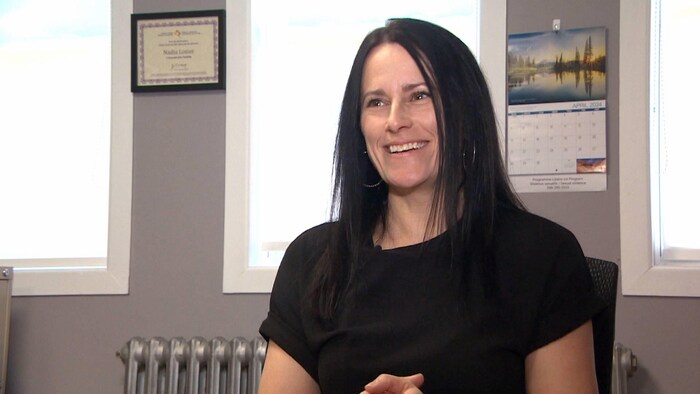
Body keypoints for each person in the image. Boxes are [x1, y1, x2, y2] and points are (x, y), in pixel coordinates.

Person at [258, 18, 603, 393]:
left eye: (419, 96)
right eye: (376, 102)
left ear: (464, 113)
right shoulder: (312, 261)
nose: (394, 121)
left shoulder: (541, 257)